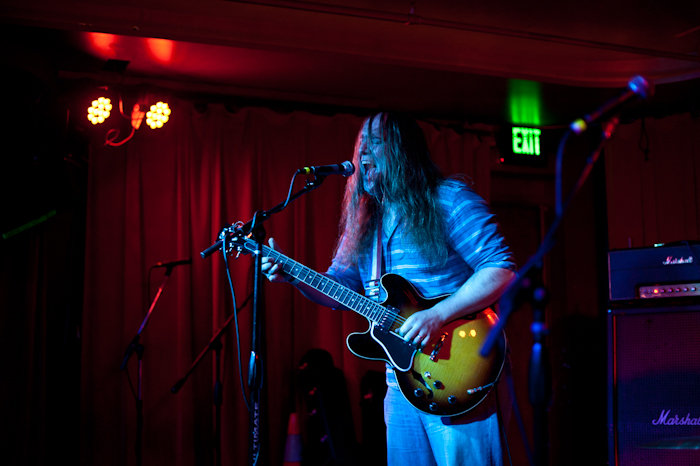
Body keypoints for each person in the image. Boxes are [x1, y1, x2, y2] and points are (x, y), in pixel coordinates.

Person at [262, 112, 516, 465]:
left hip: (459, 369)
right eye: (361, 144)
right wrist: (292, 275)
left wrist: (437, 314)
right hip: (401, 382)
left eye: (376, 143)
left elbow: (500, 269)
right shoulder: (364, 220)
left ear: (403, 150)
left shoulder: (449, 199)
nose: (363, 152)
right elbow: (338, 286)